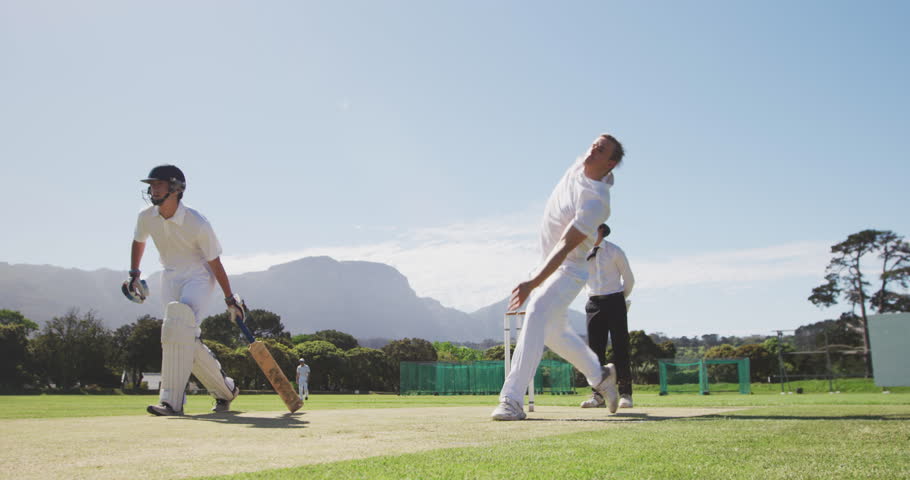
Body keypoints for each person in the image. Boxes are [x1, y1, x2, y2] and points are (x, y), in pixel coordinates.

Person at [492, 134, 625, 421]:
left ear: (610, 163)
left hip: (569, 270)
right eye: (593, 145)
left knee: (537, 312)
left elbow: (565, 246)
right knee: (554, 333)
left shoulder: (596, 202)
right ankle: (600, 375)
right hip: (546, 265)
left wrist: (533, 283)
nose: (591, 150)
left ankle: (511, 399)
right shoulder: (581, 165)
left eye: (600, 150)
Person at [124, 164, 243, 416]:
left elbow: (214, 261)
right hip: (169, 276)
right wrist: (134, 273)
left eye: (159, 184)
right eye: (151, 185)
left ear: (176, 189)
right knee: (178, 335)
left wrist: (229, 298)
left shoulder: (197, 223)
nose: (153, 189)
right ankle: (226, 389)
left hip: (198, 276)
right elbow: (138, 241)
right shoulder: (146, 216)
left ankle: (171, 402)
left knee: (179, 327)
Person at [583, 223, 635, 408]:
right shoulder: (582, 253)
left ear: (602, 231)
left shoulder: (614, 251)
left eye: (593, 229)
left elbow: (629, 280)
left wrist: (620, 301)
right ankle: (598, 395)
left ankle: (625, 394)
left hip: (615, 300)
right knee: (595, 351)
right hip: (593, 303)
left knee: (620, 347)